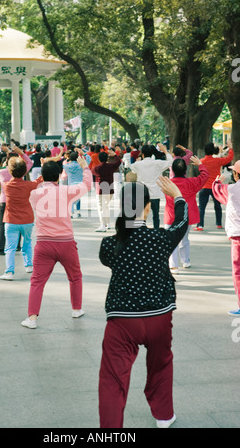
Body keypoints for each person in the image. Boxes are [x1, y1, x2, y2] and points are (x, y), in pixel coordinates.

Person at [98, 177, 188, 428]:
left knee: (112, 379)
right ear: (148, 208)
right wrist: (178, 195)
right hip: (159, 317)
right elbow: (181, 223)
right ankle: (163, 416)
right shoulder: (160, 239)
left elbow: (109, 260)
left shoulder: (109, 245)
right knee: (160, 365)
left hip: (122, 321)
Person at [20, 156, 92, 329]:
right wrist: (85, 168)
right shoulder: (66, 191)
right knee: (75, 277)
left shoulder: (34, 194)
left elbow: (38, 185)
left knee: (37, 281)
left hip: (44, 244)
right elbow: (87, 185)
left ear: (42, 176)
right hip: (66, 243)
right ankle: (76, 309)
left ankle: (32, 318)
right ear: (60, 175)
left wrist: (43, 177)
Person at [0, 156, 43, 281]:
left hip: (11, 220)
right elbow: (40, 179)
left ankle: (9, 272)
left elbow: (0, 176)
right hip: (27, 220)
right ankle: (29, 265)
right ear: (24, 172)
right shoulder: (29, 185)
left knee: (10, 247)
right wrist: (43, 165)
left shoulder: (6, 186)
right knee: (28, 243)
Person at [164, 156, 208, 273]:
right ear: (185, 171)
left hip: (171, 216)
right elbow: (204, 176)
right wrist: (200, 164)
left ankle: (173, 266)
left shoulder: (168, 183)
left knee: (171, 241)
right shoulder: (191, 182)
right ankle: (185, 261)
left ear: (172, 170)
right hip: (186, 216)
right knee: (184, 239)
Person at [0, 145, 33, 256]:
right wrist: (21, 153)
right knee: (18, 221)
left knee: (3, 224)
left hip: (5, 200)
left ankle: (1, 247)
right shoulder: (21, 171)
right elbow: (30, 163)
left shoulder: (2, 172)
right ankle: (18, 245)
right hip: (20, 200)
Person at [212, 161, 240, 316]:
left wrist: (217, 181)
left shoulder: (231, 190)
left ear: (236, 174)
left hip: (237, 236)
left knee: (238, 272)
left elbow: (217, 191)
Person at [194, 140, 234, 231]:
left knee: (201, 207)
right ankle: (219, 224)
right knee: (217, 206)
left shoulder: (201, 161)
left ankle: (200, 225)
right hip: (215, 187)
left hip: (204, 187)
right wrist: (230, 147)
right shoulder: (218, 161)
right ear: (213, 151)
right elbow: (230, 158)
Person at [131, 143, 173, 228]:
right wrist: (165, 151)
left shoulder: (138, 164)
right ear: (152, 154)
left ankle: (142, 233)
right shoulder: (157, 163)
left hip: (142, 194)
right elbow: (171, 162)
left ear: (142, 154)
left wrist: (137, 161)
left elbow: (133, 170)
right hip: (155, 194)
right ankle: (156, 232)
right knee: (156, 216)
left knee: (142, 216)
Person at [92, 150, 121, 232]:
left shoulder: (96, 168)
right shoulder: (111, 166)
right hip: (110, 190)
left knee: (101, 208)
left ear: (99, 158)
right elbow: (119, 162)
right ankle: (107, 223)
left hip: (101, 191)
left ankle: (103, 225)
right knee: (106, 207)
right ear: (107, 158)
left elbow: (91, 171)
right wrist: (115, 155)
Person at [64, 151, 84, 218]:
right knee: (78, 198)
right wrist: (83, 153)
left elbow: (63, 164)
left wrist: (67, 160)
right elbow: (89, 158)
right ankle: (78, 212)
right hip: (80, 185)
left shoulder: (66, 166)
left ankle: (71, 213)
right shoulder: (81, 165)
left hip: (71, 184)